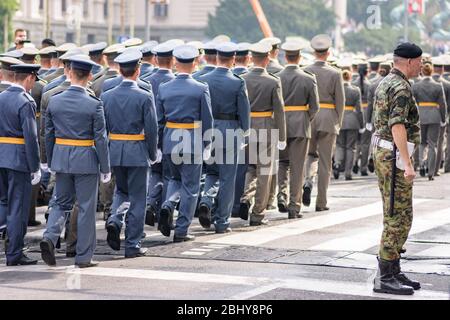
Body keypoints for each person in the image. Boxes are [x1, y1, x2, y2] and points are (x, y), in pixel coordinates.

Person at [40, 55, 111, 268]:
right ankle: (83, 257)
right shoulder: (93, 104)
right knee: (87, 207)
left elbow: (48, 135)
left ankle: (50, 236)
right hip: (86, 160)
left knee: (60, 203)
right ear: (89, 76)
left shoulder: (54, 100)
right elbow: (100, 138)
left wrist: (51, 160)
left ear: (69, 73)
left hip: (62, 158)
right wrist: (105, 167)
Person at [372, 42, 423, 295]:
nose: (422, 66)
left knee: (398, 213)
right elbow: (397, 126)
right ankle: (384, 276)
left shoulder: (387, 80)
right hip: (393, 156)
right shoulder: (401, 86)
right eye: (420, 62)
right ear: (410, 62)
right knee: (398, 216)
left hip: (385, 153)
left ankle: (392, 269)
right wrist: (408, 162)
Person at [102, 49, 158, 258]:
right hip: (137, 151)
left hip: (115, 150)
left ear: (119, 69)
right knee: (137, 198)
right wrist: (153, 154)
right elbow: (151, 129)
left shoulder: (107, 96)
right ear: (138, 70)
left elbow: (102, 128)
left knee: (120, 192)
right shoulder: (144, 96)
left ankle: (115, 220)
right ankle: (133, 244)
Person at [156, 44, 213, 242]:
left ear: (175, 62)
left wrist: (158, 145)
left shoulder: (164, 88)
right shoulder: (200, 88)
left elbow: (159, 120)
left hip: (170, 139)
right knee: (190, 187)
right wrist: (207, 144)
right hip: (191, 139)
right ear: (195, 63)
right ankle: (182, 230)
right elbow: (207, 120)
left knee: (174, 179)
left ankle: (168, 205)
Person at [197, 42, 250, 233]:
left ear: (217, 58)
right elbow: (244, 111)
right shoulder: (237, 81)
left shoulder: (204, 79)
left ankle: (206, 200)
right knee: (228, 178)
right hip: (230, 131)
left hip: (208, 131)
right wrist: (245, 132)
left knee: (211, 172)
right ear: (233, 59)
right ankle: (222, 222)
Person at [239, 42, 286, 226]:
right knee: (264, 171)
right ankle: (258, 213)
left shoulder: (242, 78)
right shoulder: (273, 81)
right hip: (266, 127)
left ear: (251, 58)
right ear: (267, 59)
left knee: (251, 167)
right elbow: (279, 111)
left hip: (248, 127)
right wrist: (282, 136)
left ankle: (245, 198)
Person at [0, 63, 41, 266]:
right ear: (29, 78)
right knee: (18, 207)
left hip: (1, 156)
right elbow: (31, 138)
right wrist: (35, 167)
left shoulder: (1, 97)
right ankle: (14, 253)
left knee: (3, 203)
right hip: (18, 159)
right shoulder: (26, 101)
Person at [277, 41, 319, 218]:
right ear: (299, 57)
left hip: (281, 125)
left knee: (282, 163)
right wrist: (305, 119)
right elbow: (315, 107)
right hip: (301, 124)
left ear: (285, 57)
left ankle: (281, 196)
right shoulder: (308, 78)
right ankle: (294, 207)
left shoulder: (276, 76)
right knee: (297, 166)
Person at [303, 34, 345, 212]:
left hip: (309, 117)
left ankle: (307, 181)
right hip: (328, 118)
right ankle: (321, 202)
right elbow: (340, 102)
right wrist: (338, 122)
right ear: (328, 53)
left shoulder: (305, 70)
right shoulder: (335, 73)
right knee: (326, 162)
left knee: (310, 155)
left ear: (314, 52)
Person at [145, 41, 177, 226]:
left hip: (150, 133)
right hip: (173, 133)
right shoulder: (176, 81)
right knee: (170, 176)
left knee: (155, 172)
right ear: (173, 60)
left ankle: (150, 204)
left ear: (156, 59)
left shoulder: (147, 79)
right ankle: (166, 214)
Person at [412, 62, 447, 181]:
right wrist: (443, 119)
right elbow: (442, 104)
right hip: (434, 116)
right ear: (431, 72)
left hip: (420, 115)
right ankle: (431, 172)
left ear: (422, 71)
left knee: (421, 143)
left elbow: (413, 104)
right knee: (433, 144)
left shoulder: (416, 85)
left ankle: (421, 164)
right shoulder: (438, 86)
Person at [334, 70, 364, 180]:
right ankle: (348, 173)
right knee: (350, 147)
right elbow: (359, 109)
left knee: (339, 145)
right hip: (352, 120)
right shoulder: (355, 90)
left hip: (339, 119)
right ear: (350, 77)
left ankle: (337, 163)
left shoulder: (337, 89)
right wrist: (362, 124)